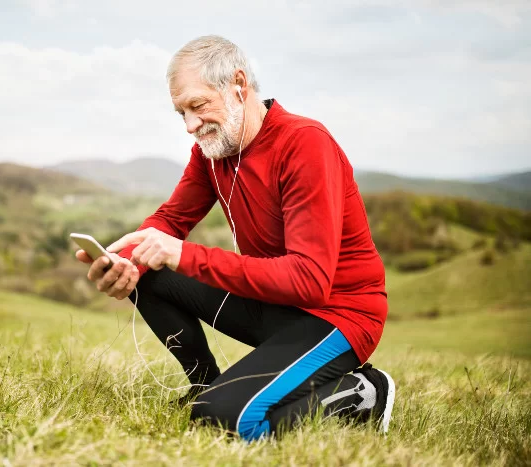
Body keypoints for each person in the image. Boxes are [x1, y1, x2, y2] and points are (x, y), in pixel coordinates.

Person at [75, 35, 395, 441]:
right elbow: (171, 219)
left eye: (198, 105)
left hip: (337, 317)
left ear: (238, 85)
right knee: (149, 264)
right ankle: (205, 385)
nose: (190, 125)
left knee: (225, 420)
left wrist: (184, 254)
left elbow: (309, 281)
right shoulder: (213, 150)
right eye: (181, 112)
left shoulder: (306, 144)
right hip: (273, 305)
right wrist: (127, 261)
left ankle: (361, 393)